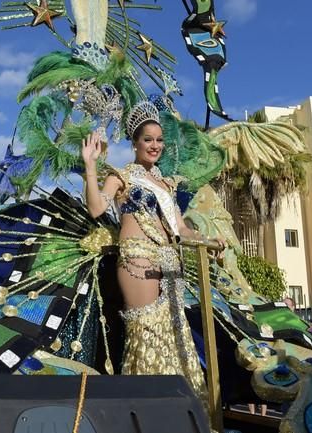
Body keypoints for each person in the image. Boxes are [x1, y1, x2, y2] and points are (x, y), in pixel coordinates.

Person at [81, 101, 224, 407]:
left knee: (174, 338)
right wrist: (90, 166)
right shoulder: (122, 176)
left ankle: (177, 412)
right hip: (138, 259)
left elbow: (181, 230)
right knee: (148, 335)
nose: (155, 145)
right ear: (135, 143)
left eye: (159, 140)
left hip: (170, 263)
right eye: (148, 140)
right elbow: (96, 208)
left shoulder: (165, 184)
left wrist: (209, 239)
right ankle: (144, 411)